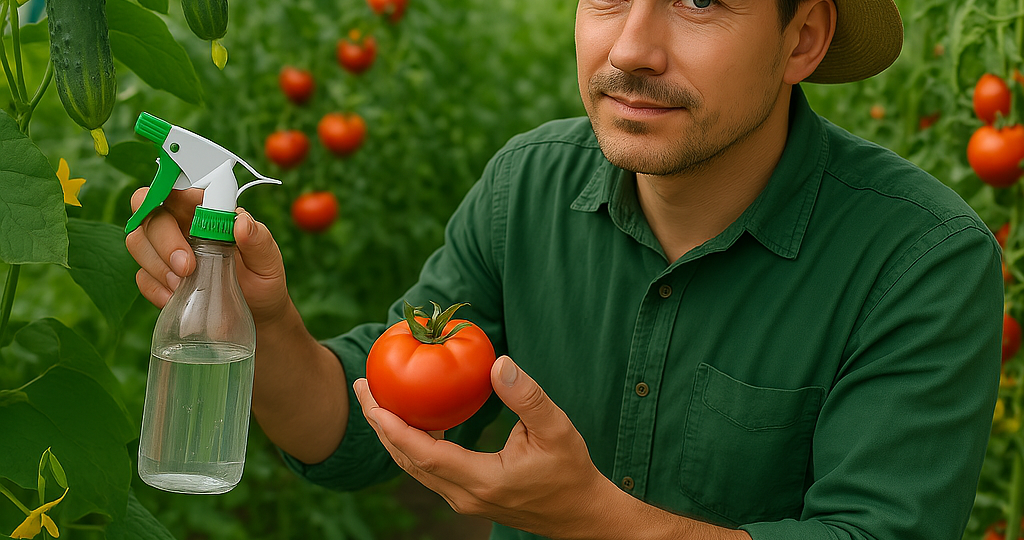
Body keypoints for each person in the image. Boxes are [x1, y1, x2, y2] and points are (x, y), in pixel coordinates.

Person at [126, 0, 1004, 538]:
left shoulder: (918, 260)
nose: (631, 49)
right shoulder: (530, 186)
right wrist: (258, 320)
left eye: (699, 0)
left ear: (803, 36)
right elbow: (364, 427)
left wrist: (597, 521)